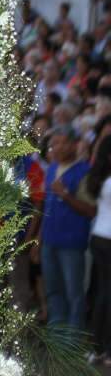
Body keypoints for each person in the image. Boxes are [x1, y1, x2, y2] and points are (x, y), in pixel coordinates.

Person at [40, 125, 96, 330]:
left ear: (74, 144)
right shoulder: (52, 168)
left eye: (62, 143)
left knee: (73, 292)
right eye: (54, 144)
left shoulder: (85, 172)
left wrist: (65, 195)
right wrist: (39, 239)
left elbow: (91, 210)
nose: (56, 148)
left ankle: (73, 339)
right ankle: (58, 337)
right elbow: (46, 206)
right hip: (49, 240)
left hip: (72, 242)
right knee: (53, 290)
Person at [86, 135, 111, 365]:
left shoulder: (102, 179)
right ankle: (104, 349)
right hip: (108, 240)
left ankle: (97, 348)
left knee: (103, 295)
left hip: (99, 238)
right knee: (106, 296)